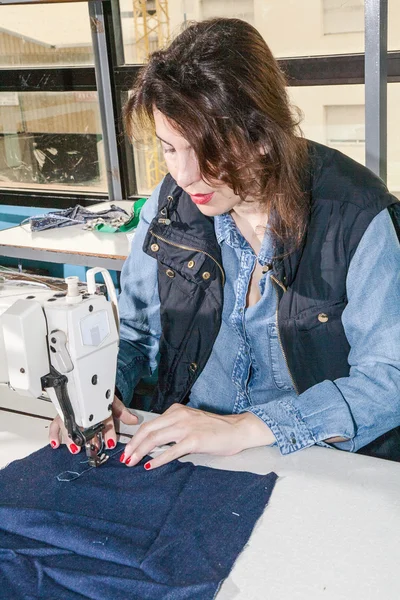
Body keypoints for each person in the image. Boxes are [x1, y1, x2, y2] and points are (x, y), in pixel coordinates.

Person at [50, 18, 400, 467]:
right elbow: (137, 336)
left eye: (205, 150)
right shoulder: (171, 202)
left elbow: (388, 380)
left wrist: (246, 428)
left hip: (311, 456)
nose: (183, 175)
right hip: (189, 446)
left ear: (260, 136)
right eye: (169, 148)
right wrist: (97, 392)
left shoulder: (356, 217)